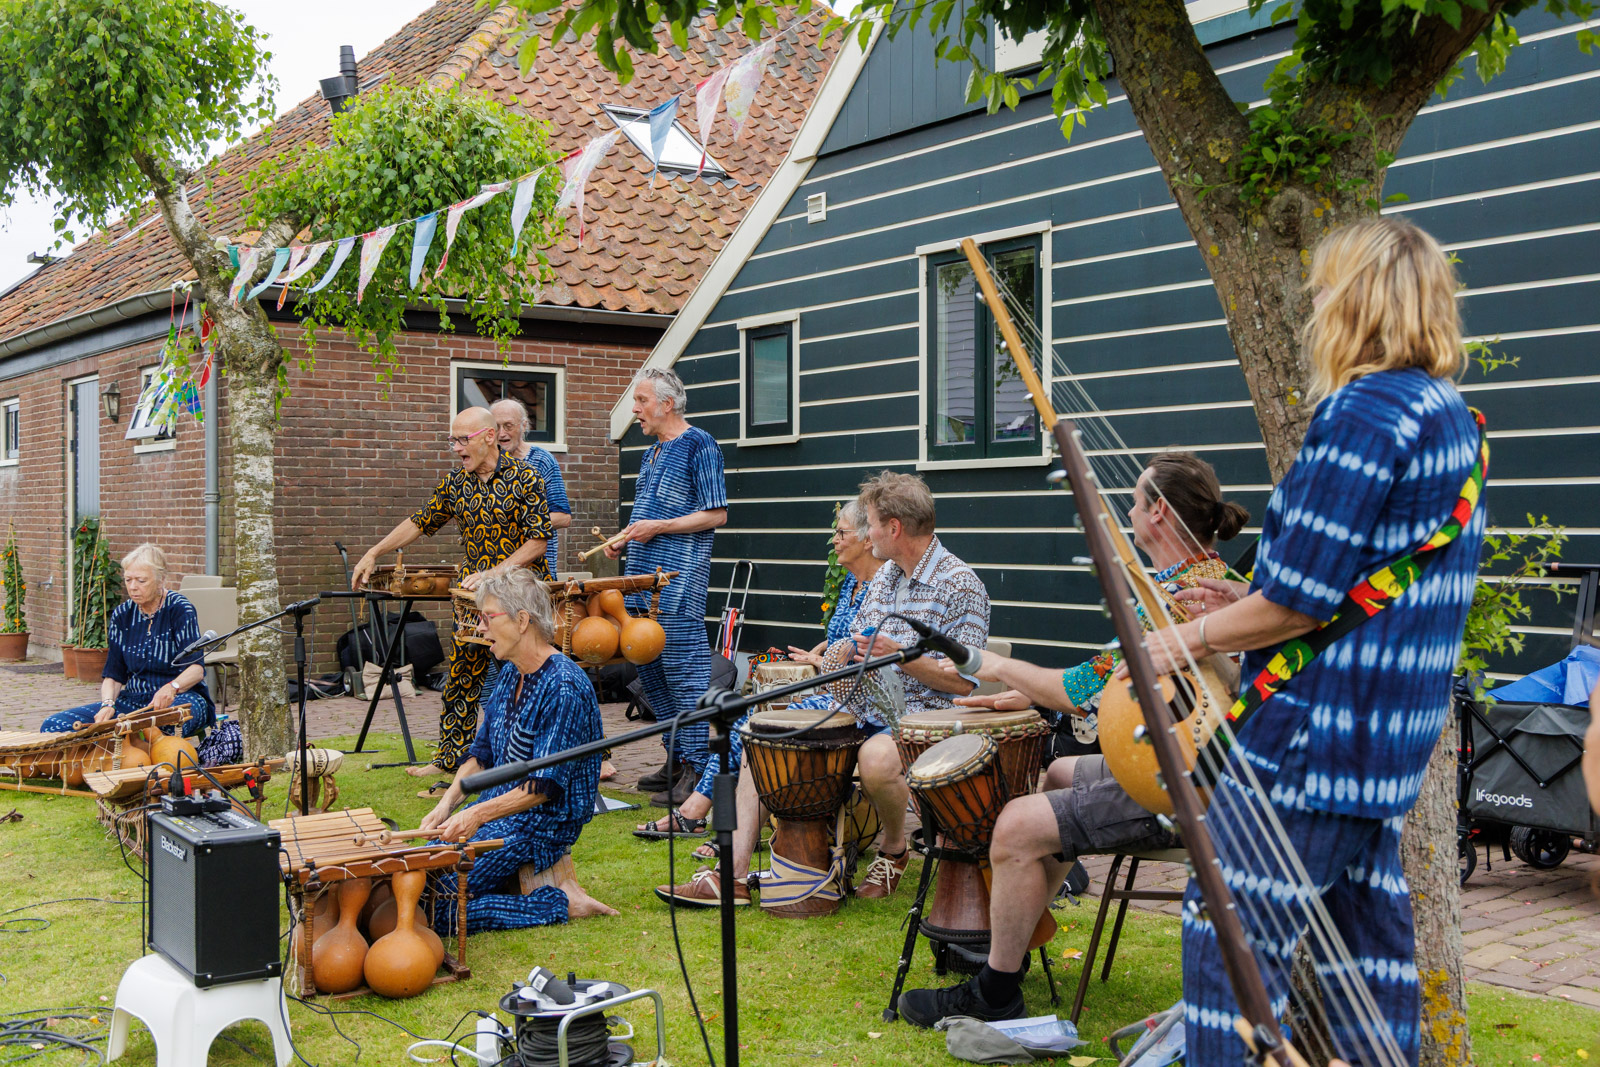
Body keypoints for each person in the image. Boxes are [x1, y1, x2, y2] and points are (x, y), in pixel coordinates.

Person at [1142, 217, 1483, 1065]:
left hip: (1318, 733)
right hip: (1387, 736)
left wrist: (1183, 637)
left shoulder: (1366, 411)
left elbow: (1298, 602)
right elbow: (1360, 579)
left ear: (1360, 301)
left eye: (1328, 288)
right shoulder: (1446, 414)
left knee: (1228, 931)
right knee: (1365, 954)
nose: (1316, 303)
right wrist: (1246, 598)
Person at [897, 453, 1249, 1026]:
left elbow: (1077, 688)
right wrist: (1033, 695)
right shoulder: (1213, 583)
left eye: (1134, 502)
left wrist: (990, 664)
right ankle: (1018, 930)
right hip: (1195, 769)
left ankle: (996, 991)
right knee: (1060, 773)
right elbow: (1109, 687)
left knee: (1015, 825)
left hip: (1188, 790)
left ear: (1159, 512)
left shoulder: (1177, 600)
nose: (1129, 514)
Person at [658, 471, 989, 905]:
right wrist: (844, 651)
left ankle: (893, 850)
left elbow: (963, 680)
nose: (867, 534)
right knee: (763, 734)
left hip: (922, 716)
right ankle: (731, 875)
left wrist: (901, 656)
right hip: (858, 704)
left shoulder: (961, 584)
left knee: (875, 759)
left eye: (871, 525)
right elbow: (853, 641)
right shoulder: (886, 576)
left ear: (894, 528)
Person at [641, 498, 884, 873]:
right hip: (833, 694)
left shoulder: (881, 589)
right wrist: (822, 650)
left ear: (868, 539)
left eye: (841, 532)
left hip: (858, 706)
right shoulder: (853, 583)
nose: (834, 539)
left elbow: (870, 659)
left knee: (754, 728)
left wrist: (823, 662)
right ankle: (705, 815)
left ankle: (702, 815)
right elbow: (845, 638)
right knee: (746, 723)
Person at [353, 407, 553, 783]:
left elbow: (538, 541)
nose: (457, 448)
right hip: (471, 600)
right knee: (461, 677)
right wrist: (374, 552)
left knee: (537, 675)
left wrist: (493, 573)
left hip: (520, 599)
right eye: (453, 440)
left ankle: (577, 756)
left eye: (463, 439)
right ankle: (449, 759)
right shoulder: (456, 482)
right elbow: (420, 521)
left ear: (489, 437)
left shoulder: (526, 478)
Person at [420, 569, 616, 931]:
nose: (481, 628)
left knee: (437, 909)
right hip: (497, 812)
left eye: (488, 618)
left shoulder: (564, 686)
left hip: (541, 826)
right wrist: (445, 806)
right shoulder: (512, 672)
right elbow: (482, 754)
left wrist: (476, 815)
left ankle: (560, 902)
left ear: (522, 621)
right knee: (416, 882)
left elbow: (543, 787)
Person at [606, 368, 727, 806]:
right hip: (642, 580)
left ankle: (698, 766)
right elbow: (648, 515)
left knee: (683, 673)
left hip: (679, 582)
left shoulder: (701, 444)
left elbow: (716, 514)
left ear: (667, 404)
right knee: (650, 671)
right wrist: (624, 538)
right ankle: (676, 757)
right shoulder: (652, 452)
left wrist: (659, 526)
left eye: (641, 401)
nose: (635, 409)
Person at [42, 543, 224, 755]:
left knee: (160, 724)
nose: (133, 587)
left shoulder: (179, 609)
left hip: (182, 699)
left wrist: (172, 687)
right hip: (134, 702)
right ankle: (111, 755)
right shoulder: (122, 615)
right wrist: (108, 704)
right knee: (53, 725)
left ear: (161, 580)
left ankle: (130, 753)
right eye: (128, 580)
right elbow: (114, 675)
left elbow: (196, 669)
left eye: (141, 580)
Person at [490, 398, 572, 568]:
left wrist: (516, 522)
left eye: (508, 426)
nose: (502, 433)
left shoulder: (542, 460)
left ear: (523, 426)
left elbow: (563, 517)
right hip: (495, 567)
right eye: (496, 427)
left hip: (536, 569)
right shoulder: (487, 463)